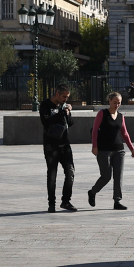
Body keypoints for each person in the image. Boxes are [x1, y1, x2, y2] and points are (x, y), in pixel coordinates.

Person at [88, 92, 134, 210]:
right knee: (106, 176)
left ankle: (117, 201)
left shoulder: (121, 116)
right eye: (115, 102)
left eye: (119, 103)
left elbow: (124, 133)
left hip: (118, 150)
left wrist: (132, 148)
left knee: (118, 176)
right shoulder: (102, 114)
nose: (117, 105)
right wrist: (94, 146)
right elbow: (95, 131)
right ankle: (93, 192)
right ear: (109, 101)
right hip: (104, 150)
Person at [40, 83, 76, 212]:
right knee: (52, 175)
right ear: (57, 94)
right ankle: (51, 204)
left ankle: (66, 201)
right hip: (51, 146)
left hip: (65, 145)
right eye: (64, 97)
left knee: (70, 173)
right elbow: (46, 122)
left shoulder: (64, 106)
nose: (66, 99)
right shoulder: (45, 105)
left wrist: (68, 112)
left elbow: (70, 123)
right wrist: (62, 112)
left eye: (67, 97)